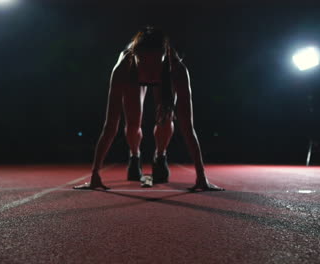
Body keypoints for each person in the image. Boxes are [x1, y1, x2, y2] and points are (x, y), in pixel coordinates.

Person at [74, 26, 224, 191]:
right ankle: (134, 156)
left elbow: (188, 127)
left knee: (165, 120)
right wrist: (95, 174)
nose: (150, 72)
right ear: (136, 57)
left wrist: (201, 177)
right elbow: (110, 125)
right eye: (145, 64)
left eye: (155, 65)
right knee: (132, 124)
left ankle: (160, 156)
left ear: (163, 57)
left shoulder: (176, 69)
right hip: (133, 77)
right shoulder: (123, 68)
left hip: (164, 78)